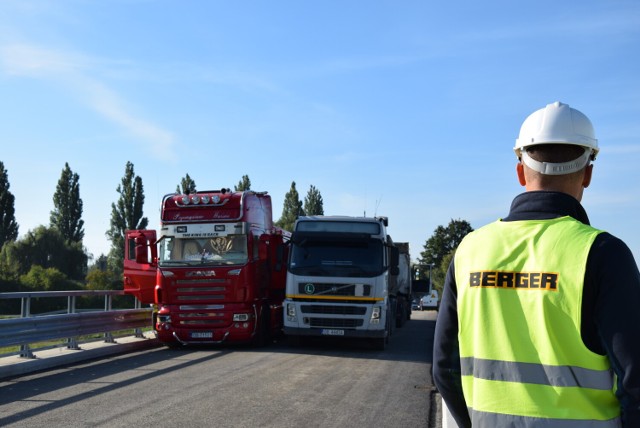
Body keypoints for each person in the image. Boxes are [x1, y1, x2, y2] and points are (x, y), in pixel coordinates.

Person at [433, 101, 640, 427]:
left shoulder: (470, 250)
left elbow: (444, 369)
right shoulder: (602, 254)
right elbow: (635, 383)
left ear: (520, 172)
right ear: (587, 174)